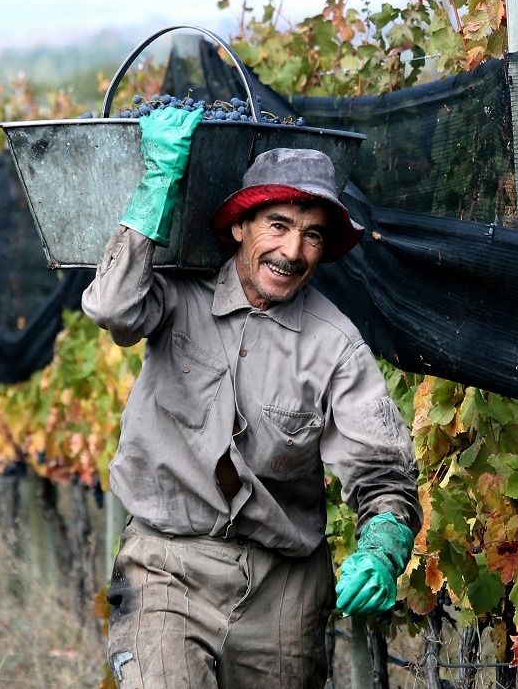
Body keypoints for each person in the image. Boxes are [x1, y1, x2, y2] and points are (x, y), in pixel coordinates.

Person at [82, 108, 421, 688]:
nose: (293, 250)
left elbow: (383, 474)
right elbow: (112, 308)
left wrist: (382, 547)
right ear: (240, 226)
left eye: (312, 234)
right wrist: (157, 181)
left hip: (282, 585)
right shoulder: (177, 298)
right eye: (278, 225)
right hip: (167, 563)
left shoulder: (336, 345)